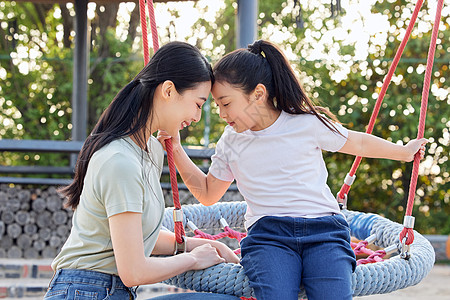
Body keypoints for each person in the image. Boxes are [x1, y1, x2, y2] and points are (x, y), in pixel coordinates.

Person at [157, 40, 427, 300]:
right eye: (216, 105)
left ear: (258, 94)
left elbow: (357, 141)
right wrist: (177, 151)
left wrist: (402, 152)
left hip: (324, 231)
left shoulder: (305, 124)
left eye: (226, 103)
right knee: (275, 294)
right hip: (269, 235)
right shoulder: (232, 141)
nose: (221, 113)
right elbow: (206, 193)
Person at [45, 41, 240, 300]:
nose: (196, 116)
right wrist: (192, 259)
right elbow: (134, 271)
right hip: (85, 290)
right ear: (168, 91)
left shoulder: (150, 149)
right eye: (198, 103)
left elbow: (139, 236)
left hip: (107, 291)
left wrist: (202, 244)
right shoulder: (120, 160)